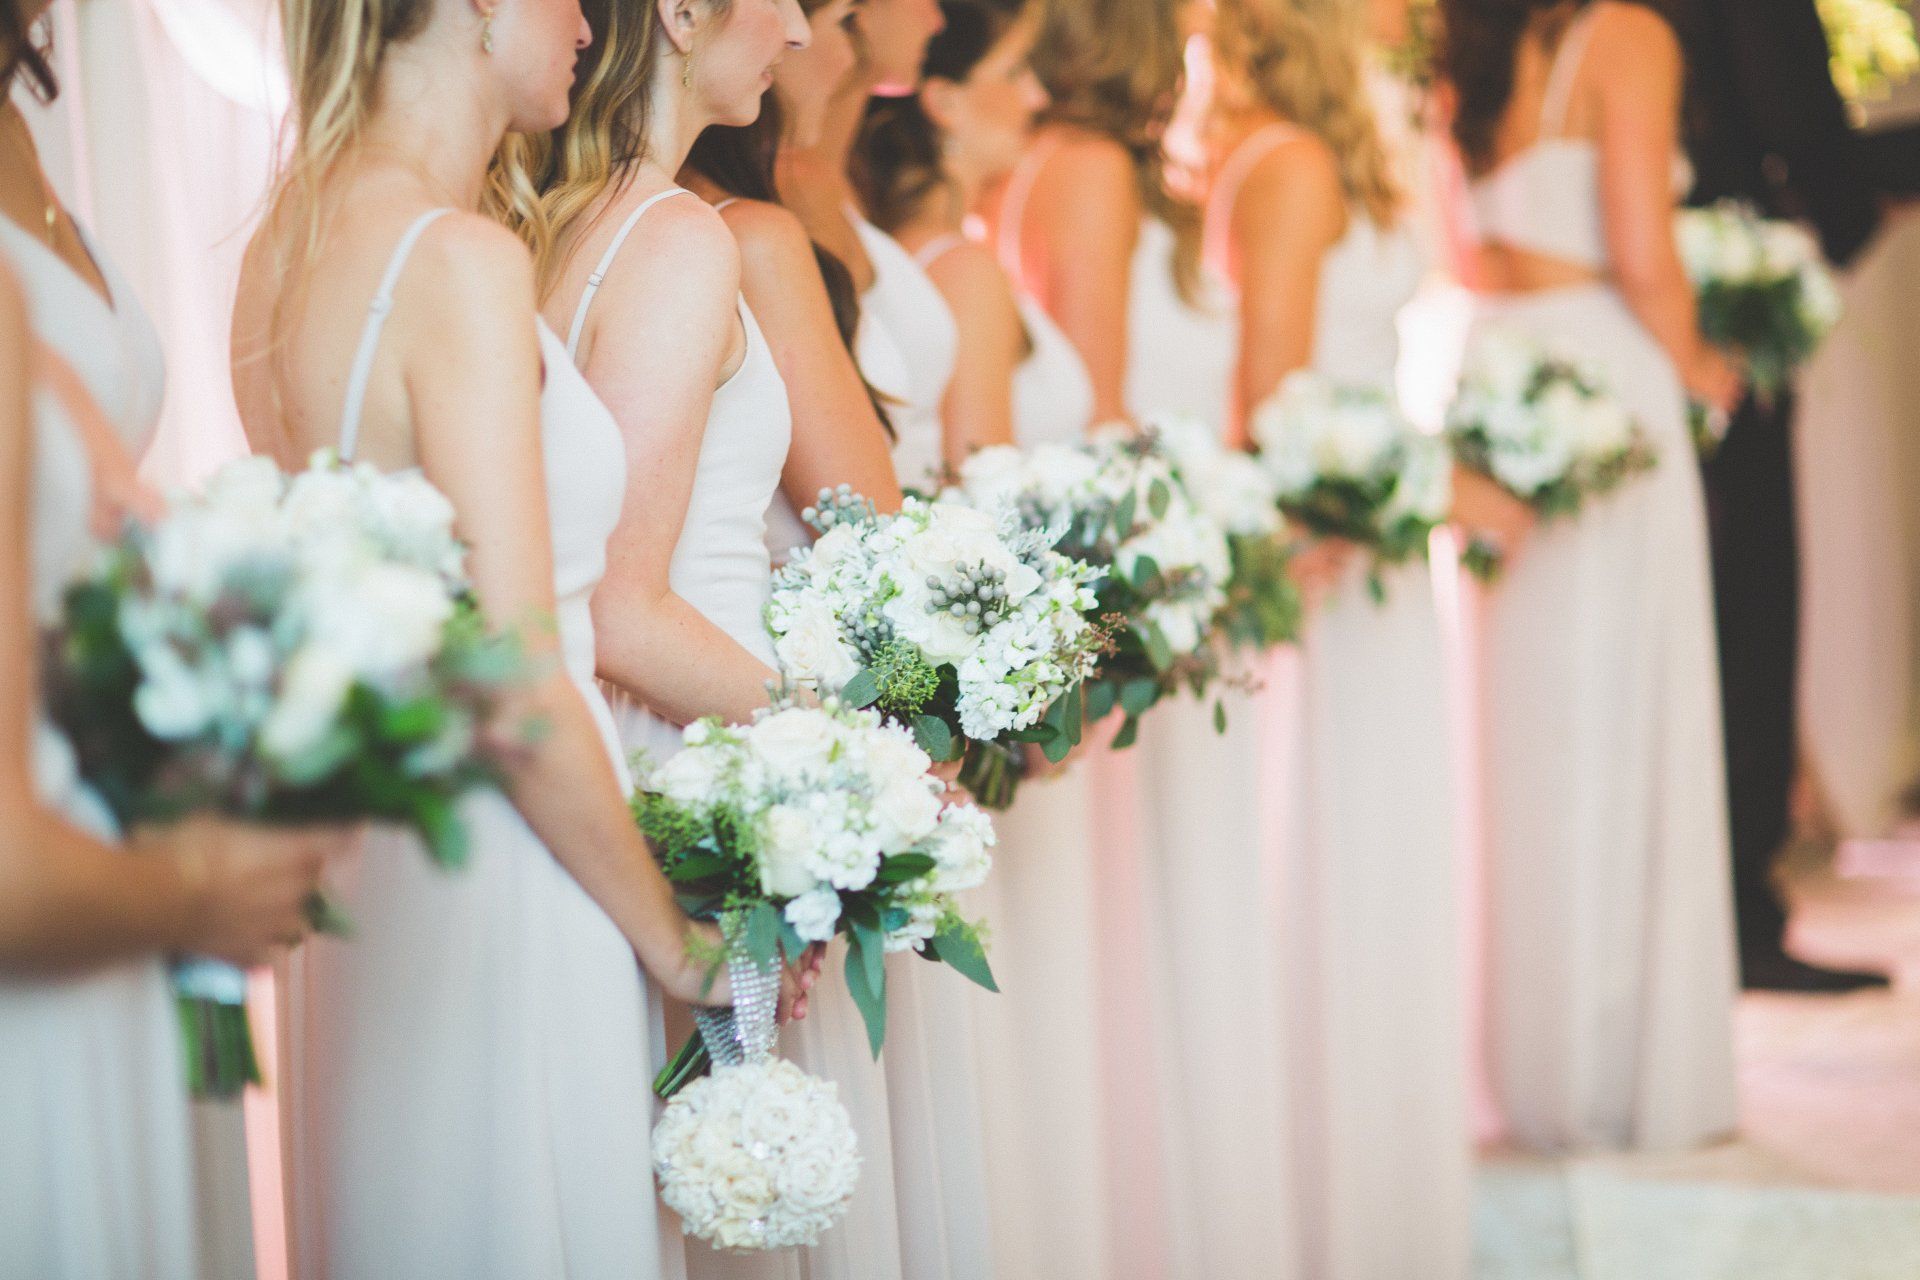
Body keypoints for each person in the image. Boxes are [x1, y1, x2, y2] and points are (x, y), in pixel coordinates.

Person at [230, 2, 773, 1273]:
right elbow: (521, 678)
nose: (588, 21)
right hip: (513, 860)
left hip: (376, 856)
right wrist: (674, 938)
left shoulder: (286, 243)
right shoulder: (457, 262)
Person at [1002, 1, 1299, 1274]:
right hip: (1140, 583)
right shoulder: (1096, 173)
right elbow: (1103, 415)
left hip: (1150, 574)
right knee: (1158, 920)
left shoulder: (1059, 166)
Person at [1205, 0, 1481, 1273]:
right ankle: (1339, 1198)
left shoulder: (1318, 145)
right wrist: (1379, 492)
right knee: (1340, 846)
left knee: (1379, 848)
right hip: (1332, 564)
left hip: (1373, 552)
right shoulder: (1293, 164)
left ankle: (1381, 1176)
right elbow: (1273, 393)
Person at [1440, 0, 1743, 1152]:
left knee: (1520, 730)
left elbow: (1454, 241)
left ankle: (1534, 1067)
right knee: (1627, 715)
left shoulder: (1470, 45)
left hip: (1497, 363)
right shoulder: (1628, 37)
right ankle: (1620, 1071)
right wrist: (1709, 367)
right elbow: (1643, 246)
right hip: (1606, 371)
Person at [861, 4, 1112, 1275]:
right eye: (1014, 73)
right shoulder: (953, 265)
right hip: (988, 679)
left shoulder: (938, 253)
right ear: (944, 99)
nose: (1036, 98)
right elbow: (976, 490)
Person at [1669, 0, 1891, 992]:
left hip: (1605, 321)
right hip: (1720, 325)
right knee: (1749, 603)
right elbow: (1806, 132)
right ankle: (1737, 904)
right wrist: (1837, 222)